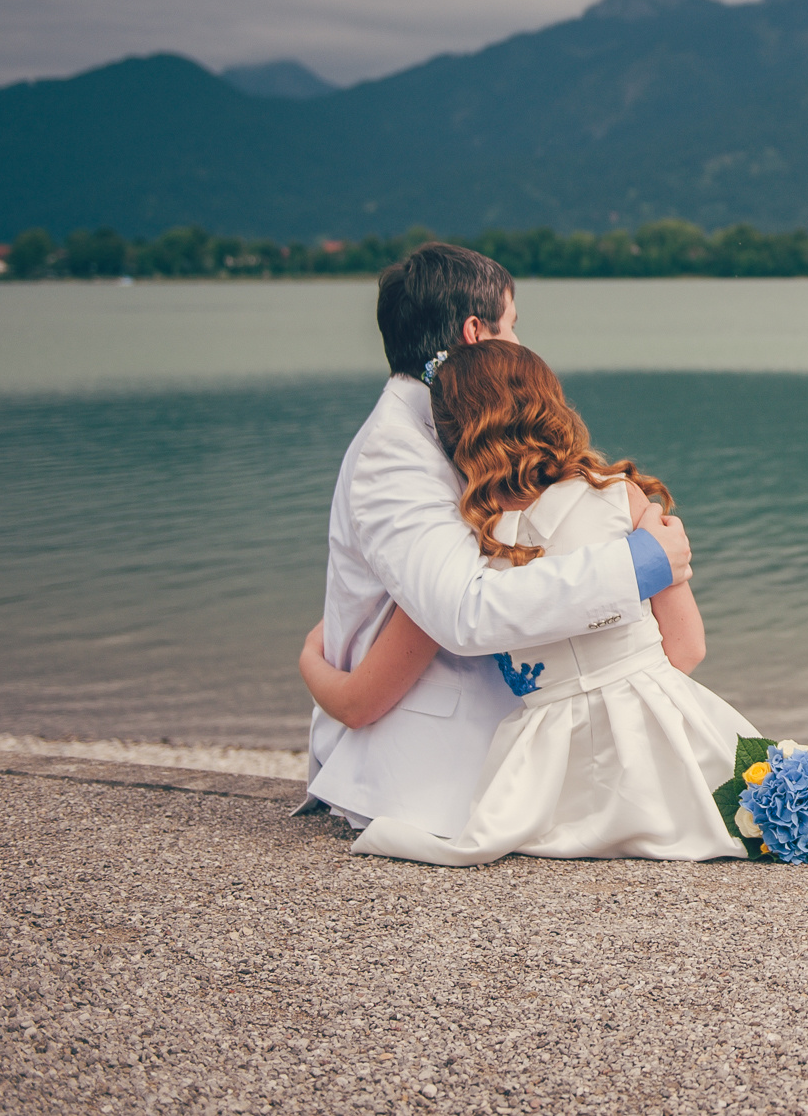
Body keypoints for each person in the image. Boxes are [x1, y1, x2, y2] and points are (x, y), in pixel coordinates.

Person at [302, 340, 752, 864]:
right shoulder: (622, 497)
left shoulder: (476, 543)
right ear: (554, 409)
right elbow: (687, 649)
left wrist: (311, 657)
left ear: (454, 441)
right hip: (653, 732)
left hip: (550, 762)